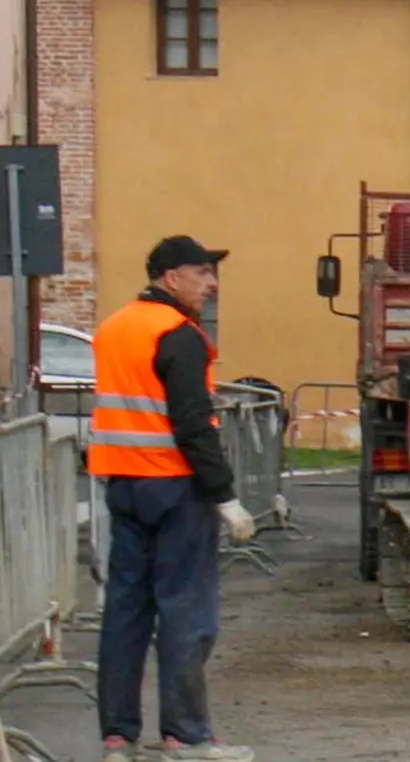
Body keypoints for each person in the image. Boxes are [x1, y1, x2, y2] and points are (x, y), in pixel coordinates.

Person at [90, 235, 257, 762]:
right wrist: (226, 497)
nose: (211, 285)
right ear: (171, 278)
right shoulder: (179, 336)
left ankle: (117, 737)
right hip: (175, 488)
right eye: (202, 273)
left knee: (125, 612)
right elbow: (192, 424)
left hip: (123, 485)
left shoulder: (113, 328)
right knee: (185, 613)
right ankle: (185, 735)